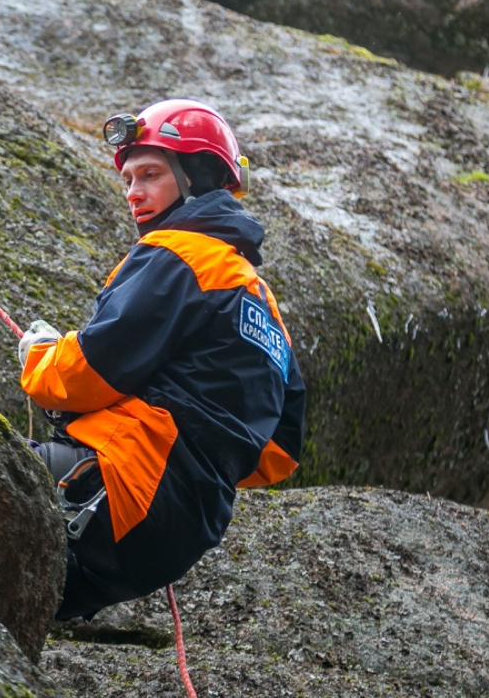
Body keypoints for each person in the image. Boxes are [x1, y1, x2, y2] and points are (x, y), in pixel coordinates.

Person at [18, 99, 306, 621]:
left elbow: (92, 370)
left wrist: (40, 356)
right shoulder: (259, 299)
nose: (134, 193)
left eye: (149, 174)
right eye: (128, 179)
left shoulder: (180, 253)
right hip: (171, 540)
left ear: (196, 176)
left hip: (116, 489)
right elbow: (280, 450)